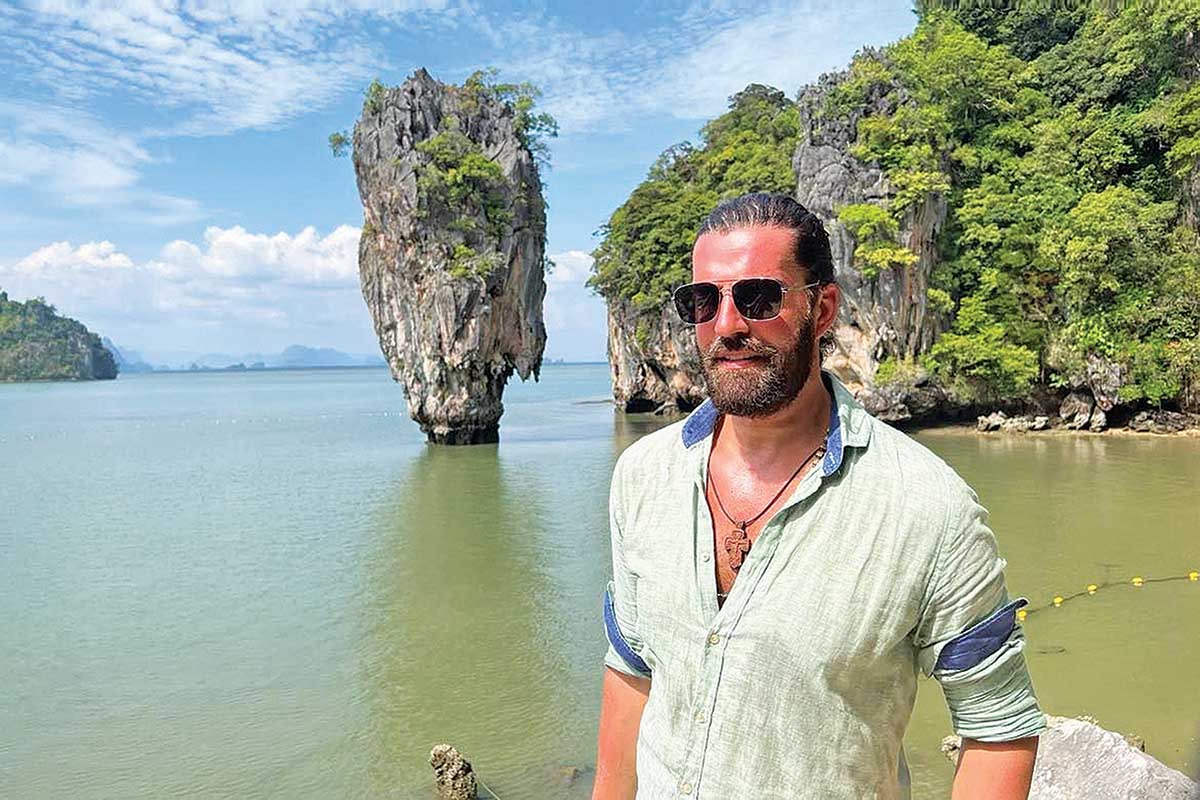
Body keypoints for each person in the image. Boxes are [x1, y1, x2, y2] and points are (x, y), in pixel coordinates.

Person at [592, 193, 1044, 799]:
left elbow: (998, 727)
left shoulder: (930, 509)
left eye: (759, 298)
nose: (727, 325)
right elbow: (631, 670)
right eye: (703, 301)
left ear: (822, 308)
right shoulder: (642, 476)